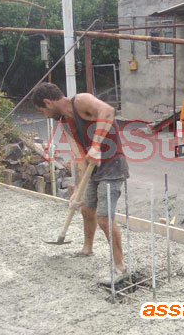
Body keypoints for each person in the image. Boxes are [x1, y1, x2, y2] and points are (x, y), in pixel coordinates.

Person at [32, 83, 130, 286]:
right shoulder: (65, 123)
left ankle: (120, 267)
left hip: (112, 165)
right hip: (93, 168)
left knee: (104, 218)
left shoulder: (81, 101)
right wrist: (78, 190)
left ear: (48, 102)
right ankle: (87, 248)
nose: (45, 116)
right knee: (86, 208)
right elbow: (78, 156)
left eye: (43, 111)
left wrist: (96, 146)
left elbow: (108, 111)